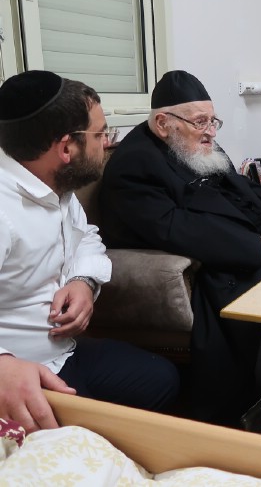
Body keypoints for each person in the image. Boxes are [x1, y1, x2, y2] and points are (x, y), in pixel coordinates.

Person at [99, 70, 261, 426]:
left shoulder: (197, 145)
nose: (211, 131)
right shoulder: (134, 164)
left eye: (213, 120)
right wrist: (260, 246)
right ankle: (254, 413)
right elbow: (175, 228)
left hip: (256, 238)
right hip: (224, 260)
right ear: (163, 123)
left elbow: (245, 188)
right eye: (201, 121)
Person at [0, 70, 179, 433]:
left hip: (63, 351)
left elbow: (87, 237)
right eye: (100, 134)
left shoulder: (56, 184)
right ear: (66, 148)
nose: (107, 143)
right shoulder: (5, 211)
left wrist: (83, 281)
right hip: (21, 377)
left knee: (161, 380)